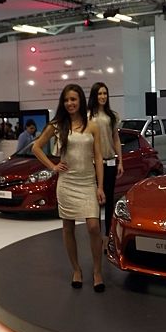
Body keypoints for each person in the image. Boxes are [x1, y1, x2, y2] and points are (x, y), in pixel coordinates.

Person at [32, 85, 106, 291]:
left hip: (88, 182)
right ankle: (76, 270)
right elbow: (36, 147)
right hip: (67, 183)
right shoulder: (57, 125)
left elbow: (98, 157)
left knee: (94, 227)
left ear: (80, 100)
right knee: (68, 227)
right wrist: (53, 166)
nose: (69, 103)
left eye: (73, 99)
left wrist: (100, 186)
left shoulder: (92, 126)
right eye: (66, 100)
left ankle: (97, 271)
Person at [88, 82, 123, 234]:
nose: (102, 96)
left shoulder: (112, 116)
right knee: (95, 200)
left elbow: (116, 139)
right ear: (94, 96)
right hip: (93, 164)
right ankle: (95, 234)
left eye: (105, 93)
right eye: (99, 93)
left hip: (110, 162)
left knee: (109, 200)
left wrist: (120, 161)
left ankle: (108, 234)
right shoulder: (88, 116)